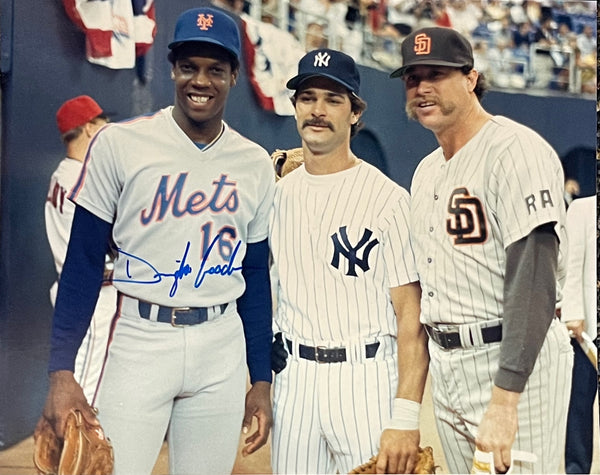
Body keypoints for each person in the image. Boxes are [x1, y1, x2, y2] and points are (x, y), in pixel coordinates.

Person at [37, 7, 275, 474]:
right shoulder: (120, 145)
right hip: (139, 338)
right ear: (172, 69)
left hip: (219, 345)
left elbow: (255, 277)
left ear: (233, 76)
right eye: (189, 67)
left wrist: (261, 377)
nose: (200, 81)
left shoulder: (253, 162)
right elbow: (83, 263)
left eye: (215, 69)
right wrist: (60, 371)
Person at [390, 27, 573, 474]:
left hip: (511, 363)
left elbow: (534, 278)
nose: (422, 88)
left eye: (437, 74)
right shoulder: (426, 172)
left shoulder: (515, 150)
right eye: (413, 78)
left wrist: (506, 399)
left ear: (471, 79)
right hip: (449, 364)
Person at [269, 48, 429, 474]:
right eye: (308, 98)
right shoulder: (277, 195)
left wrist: (406, 416)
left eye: (333, 99)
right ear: (295, 107)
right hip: (294, 380)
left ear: (355, 112)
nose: (318, 110)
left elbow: (410, 317)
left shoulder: (389, 200)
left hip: (365, 377)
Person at [45, 95, 115, 404]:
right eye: (102, 123)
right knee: (84, 398)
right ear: (88, 129)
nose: (107, 128)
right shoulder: (82, 181)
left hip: (74, 294)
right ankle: (74, 453)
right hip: (92, 299)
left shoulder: (62, 174)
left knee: (87, 392)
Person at [561, 195, 597, 474]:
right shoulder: (583, 209)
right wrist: (573, 311)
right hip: (588, 335)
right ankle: (577, 469)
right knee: (580, 408)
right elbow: (573, 266)